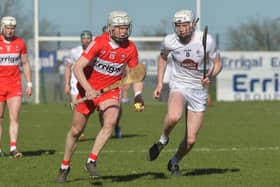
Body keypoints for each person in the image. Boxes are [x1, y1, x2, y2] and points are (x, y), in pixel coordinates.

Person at [56, 10, 144, 183]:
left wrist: (138, 95)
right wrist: (88, 89)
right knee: (76, 131)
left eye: (125, 27)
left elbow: (136, 74)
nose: (123, 31)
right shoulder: (98, 42)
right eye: (119, 28)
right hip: (87, 90)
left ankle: (91, 161)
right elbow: (77, 68)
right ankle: (64, 166)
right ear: (111, 28)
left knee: (110, 121)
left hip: (110, 91)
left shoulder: (131, 48)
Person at [147, 9, 222, 176]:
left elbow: (217, 63)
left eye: (184, 25)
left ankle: (174, 162)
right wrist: (159, 83)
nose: (181, 29)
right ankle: (163, 140)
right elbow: (162, 58)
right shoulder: (169, 41)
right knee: (174, 116)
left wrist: (210, 75)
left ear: (193, 24)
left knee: (191, 140)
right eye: (178, 25)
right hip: (179, 85)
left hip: (199, 90)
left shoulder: (206, 40)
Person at [0, 16, 32, 158]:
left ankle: (13, 148)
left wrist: (29, 83)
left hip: (14, 86)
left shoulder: (20, 43)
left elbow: (25, 63)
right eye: (7, 27)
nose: (10, 30)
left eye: (12, 28)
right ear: (2, 27)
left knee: (14, 117)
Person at [64, 30, 93, 140]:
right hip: (75, 83)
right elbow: (68, 68)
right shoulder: (74, 51)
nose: (86, 40)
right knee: (77, 106)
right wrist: (67, 84)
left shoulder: (95, 51)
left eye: (88, 38)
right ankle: (79, 131)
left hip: (90, 83)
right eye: (84, 38)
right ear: (81, 39)